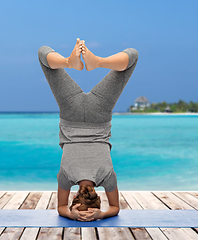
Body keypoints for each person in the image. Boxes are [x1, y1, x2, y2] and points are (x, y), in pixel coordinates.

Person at [38, 38, 138, 221]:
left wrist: (102, 214)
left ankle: (97, 61)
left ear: (98, 198)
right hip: (71, 112)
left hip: (99, 114)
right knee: (42, 53)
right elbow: (60, 207)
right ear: (74, 197)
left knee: (133, 55)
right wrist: (71, 214)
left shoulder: (107, 177)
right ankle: (69, 62)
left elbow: (115, 208)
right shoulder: (65, 177)